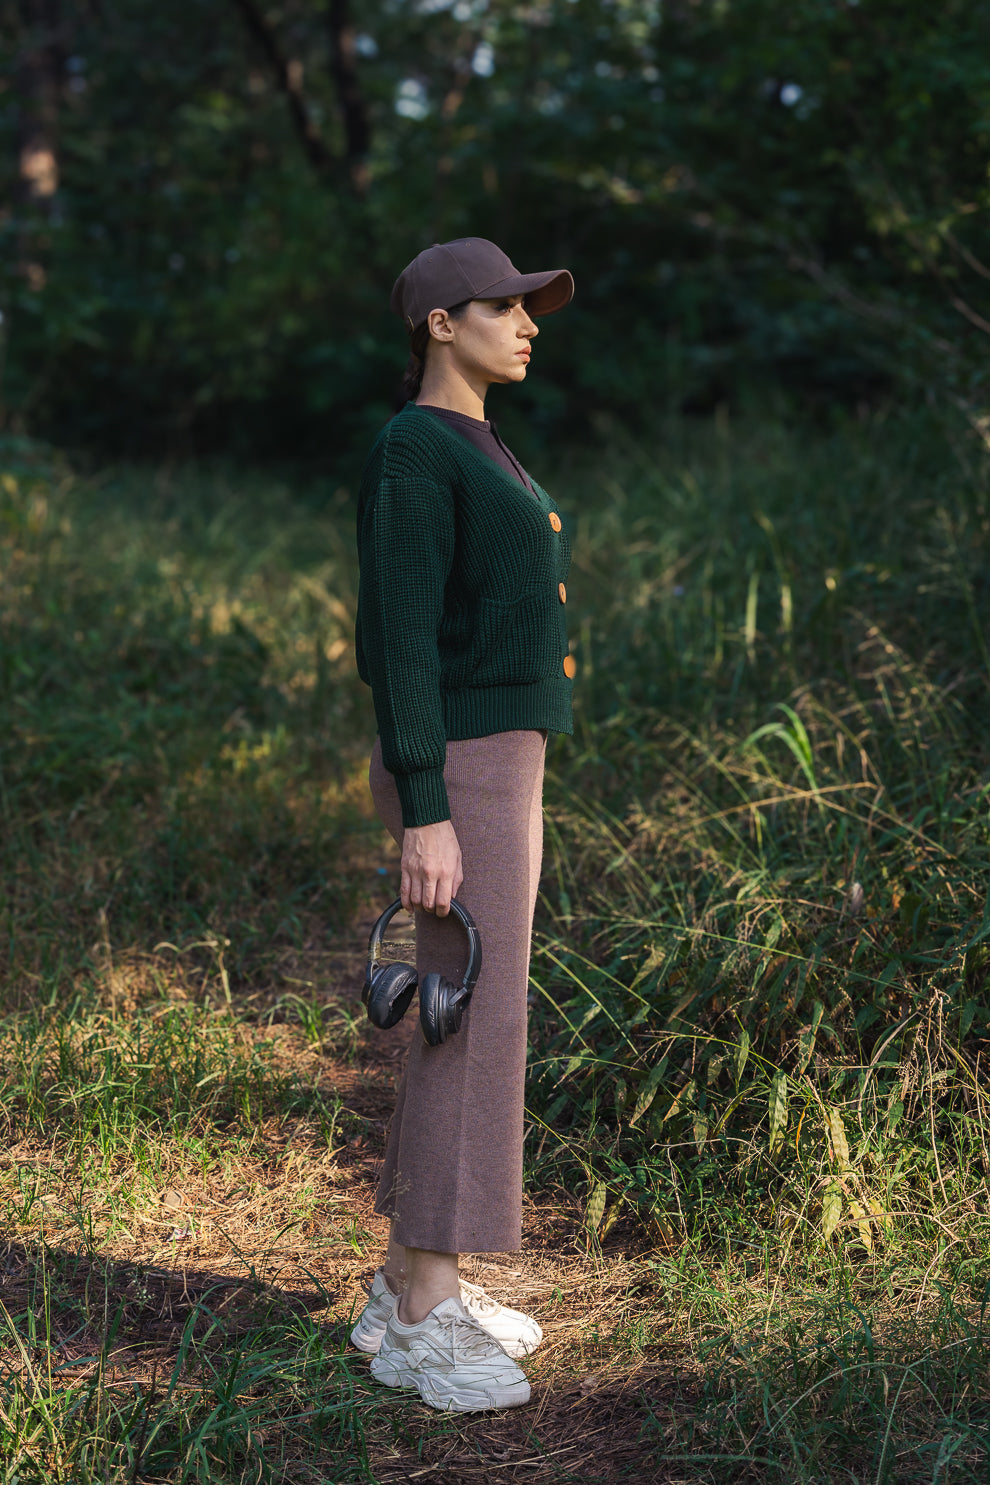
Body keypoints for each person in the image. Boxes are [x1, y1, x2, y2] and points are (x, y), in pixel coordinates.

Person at [350, 237, 575, 1413]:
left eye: (530, 308)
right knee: (462, 1018)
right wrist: (426, 809)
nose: (528, 323)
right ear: (443, 322)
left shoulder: (478, 438)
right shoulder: (414, 449)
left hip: (499, 766)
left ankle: (406, 1279)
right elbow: (398, 639)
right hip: (462, 775)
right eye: (505, 306)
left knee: (469, 1011)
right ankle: (427, 1316)